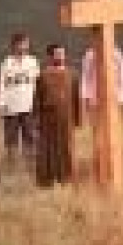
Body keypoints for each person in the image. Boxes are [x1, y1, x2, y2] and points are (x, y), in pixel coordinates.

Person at [32, 43, 81, 187]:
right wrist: (36, 120)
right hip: (48, 119)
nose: (60, 56)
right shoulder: (43, 75)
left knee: (66, 149)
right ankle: (47, 181)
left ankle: (67, 179)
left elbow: (76, 98)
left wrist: (77, 119)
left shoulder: (72, 74)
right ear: (50, 56)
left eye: (62, 53)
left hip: (66, 118)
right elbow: (37, 100)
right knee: (48, 150)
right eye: (57, 54)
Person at [0, 32, 39, 165]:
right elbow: (2, 84)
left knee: (30, 138)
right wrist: (1, 104)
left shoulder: (32, 61)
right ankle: (12, 167)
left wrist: (38, 104)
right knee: (11, 140)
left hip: (29, 105)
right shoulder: (7, 63)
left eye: (26, 44)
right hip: (11, 107)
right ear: (14, 46)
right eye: (21, 44)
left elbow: (38, 83)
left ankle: (30, 166)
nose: (23, 47)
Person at [80, 35, 123, 121]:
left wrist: (122, 98)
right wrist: (86, 97)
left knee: (113, 124)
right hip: (95, 98)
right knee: (97, 126)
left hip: (114, 97)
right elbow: (86, 77)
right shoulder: (90, 54)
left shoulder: (117, 53)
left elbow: (122, 77)